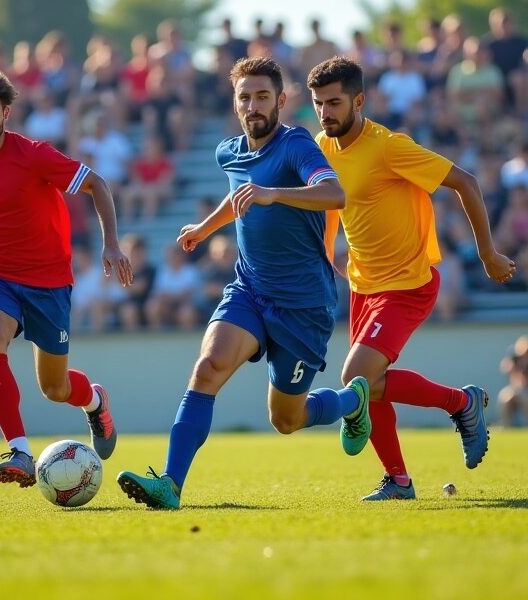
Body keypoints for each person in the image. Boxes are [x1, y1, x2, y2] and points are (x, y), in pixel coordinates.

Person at [116, 57, 357, 510]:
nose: (253, 105)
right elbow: (239, 194)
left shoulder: (297, 145)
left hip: (304, 305)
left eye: (263, 96)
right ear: (234, 102)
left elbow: (334, 193)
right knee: (207, 367)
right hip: (250, 290)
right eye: (245, 97)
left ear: (281, 100)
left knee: (285, 419)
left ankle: (350, 401)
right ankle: (170, 484)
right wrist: (204, 229)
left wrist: (273, 194)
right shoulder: (229, 151)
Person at [303, 57, 515, 500]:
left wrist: (487, 253)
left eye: (335, 103)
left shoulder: (389, 146)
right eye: (319, 103)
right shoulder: (322, 146)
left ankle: (461, 403)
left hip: (408, 284)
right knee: (369, 389)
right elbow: (329, 202)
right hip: (363, 286)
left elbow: (467, 182)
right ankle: (398, 479)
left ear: (359, 101)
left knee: (356, 378)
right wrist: (326, 256)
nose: (325, 112)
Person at [0, 69, 133, 489]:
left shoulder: (33, 154)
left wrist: (111, 244)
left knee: (54, 387)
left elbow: (97, 184)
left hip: (49, 282)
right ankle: (19, 450)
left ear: (6, 114)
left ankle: (95, 400)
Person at [499, 335, 528, 428]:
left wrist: (526, 362)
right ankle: (506, 426)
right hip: (516, 391)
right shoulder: (515, 359)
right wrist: (513, 362)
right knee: (505, 398)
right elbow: (505, 368)